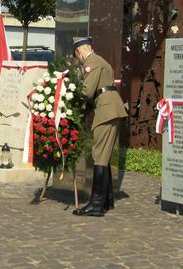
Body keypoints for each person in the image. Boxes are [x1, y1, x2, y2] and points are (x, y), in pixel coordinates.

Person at [71, 37, 128, 217]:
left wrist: (69, 91)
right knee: (103, 155)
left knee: (99, 156)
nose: (78, 60)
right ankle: (106, 201)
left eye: (76, 57)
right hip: (110, 108)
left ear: (80, 52)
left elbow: (87, 91)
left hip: (106, 111)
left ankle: (96, 204)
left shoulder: (92, 62)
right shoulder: (100, 61)